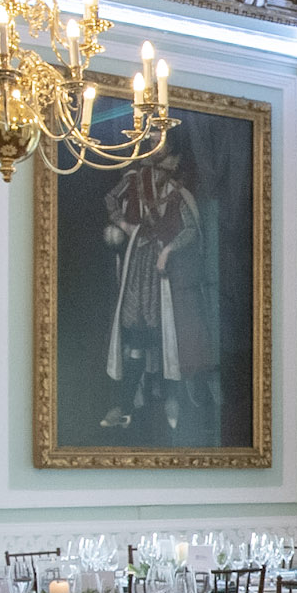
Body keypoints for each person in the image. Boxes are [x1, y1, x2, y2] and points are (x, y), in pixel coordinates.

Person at [99, 147, 218, 432]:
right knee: (136, 336)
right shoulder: (134, 181)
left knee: (168, 339)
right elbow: (111, 199)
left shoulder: (178, 192)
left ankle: (171, 404)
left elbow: (191, 230)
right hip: (137, 264)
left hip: (170, 275)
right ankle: (126, 407)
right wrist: (124, 224)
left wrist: (168, 251)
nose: (157, 174)